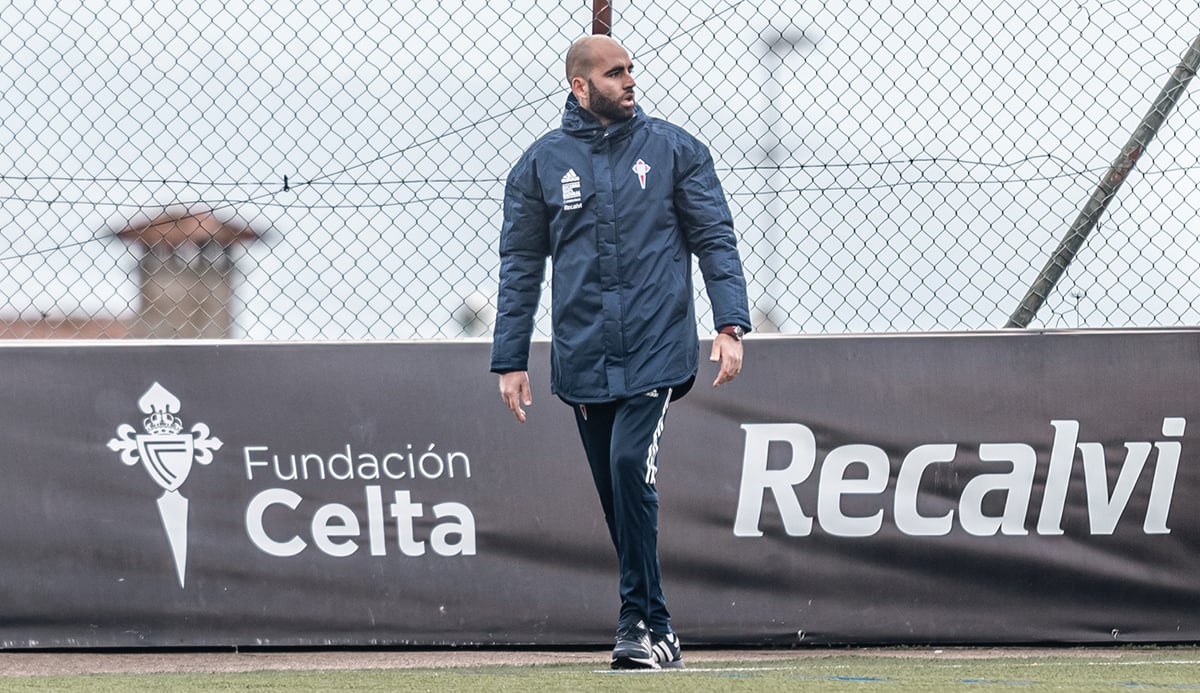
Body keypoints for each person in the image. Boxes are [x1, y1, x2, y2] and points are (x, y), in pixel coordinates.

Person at [490, 34, 751, 670]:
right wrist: (511, 358)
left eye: (631, 70)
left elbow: (714, 237)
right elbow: (521, 264)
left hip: (657, 348)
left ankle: (635, 621)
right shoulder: (539, 165)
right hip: (581, 357)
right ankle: (656, 624)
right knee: (616, 494)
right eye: (614, 74)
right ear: (581, 87)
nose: (629, 81)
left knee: (631, 466)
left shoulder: (676, 150)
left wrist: (729, 324)